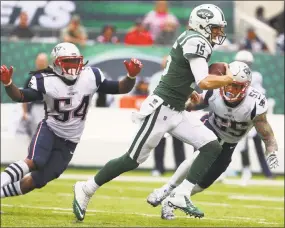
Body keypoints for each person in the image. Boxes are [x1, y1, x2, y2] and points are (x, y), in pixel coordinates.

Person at [73, 4, 234, 221]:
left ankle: (182, 194)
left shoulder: (193, 38)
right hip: (162, 108)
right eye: (215, 28)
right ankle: (87, 188)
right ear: (202, 25)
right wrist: (229, 78)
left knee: (211, 146)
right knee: (130, 160)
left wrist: (188, 91)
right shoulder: (196, 40)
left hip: (177, 108)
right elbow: (204, 81)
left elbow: (181, 71)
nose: (218, 33)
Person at [0, 42, 142, 200]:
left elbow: (121, 88)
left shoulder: (90, 76)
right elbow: (20, 96)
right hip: (51, 129)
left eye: (76, 62)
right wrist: (8, 84)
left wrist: (131, 77)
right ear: (56, 63)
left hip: (71, 140)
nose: (73, 67)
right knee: (35, 160)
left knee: (38, 180)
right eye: (68, 62)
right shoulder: (46, 80)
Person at [147, 61, 279, 220]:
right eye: (229, 83)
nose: (230, 89)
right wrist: (187, 102)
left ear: (245, 87)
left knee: (203, 184)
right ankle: (165, 189)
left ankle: (171, 201)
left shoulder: (254, 103)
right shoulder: (214, 91)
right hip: (210, 129)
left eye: (236, 86)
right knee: (196, 159)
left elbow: (267, 136)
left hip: (230, 143)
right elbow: (192, 106)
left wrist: (271, 152)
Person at [234, 50, 273, 184]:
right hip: (240, 114)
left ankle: (265, 171)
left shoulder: (255, 76)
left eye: (247, 63)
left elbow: (258, 94)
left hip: (253, 114)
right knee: (241, 144)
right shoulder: (233, 76)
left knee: (257, 142)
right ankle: (246, 170)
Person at [149, 56, 185, 176]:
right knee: (158, 142)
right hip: (160, 112)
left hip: (175, 112)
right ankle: (158, 168)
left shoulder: (179, 77)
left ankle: (180, 168)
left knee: (178, 142)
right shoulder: (156, 77)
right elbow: (152, 95)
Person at [21, 53, 49, 138]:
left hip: (49, 109)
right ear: (36, 62)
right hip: (36, 108)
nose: (41, 63)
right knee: (36, 133)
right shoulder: (31, 79)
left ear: (46, 63)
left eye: (43, 61)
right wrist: (25, 112)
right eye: (39, 61)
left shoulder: (52, 77)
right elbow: (24, 97)